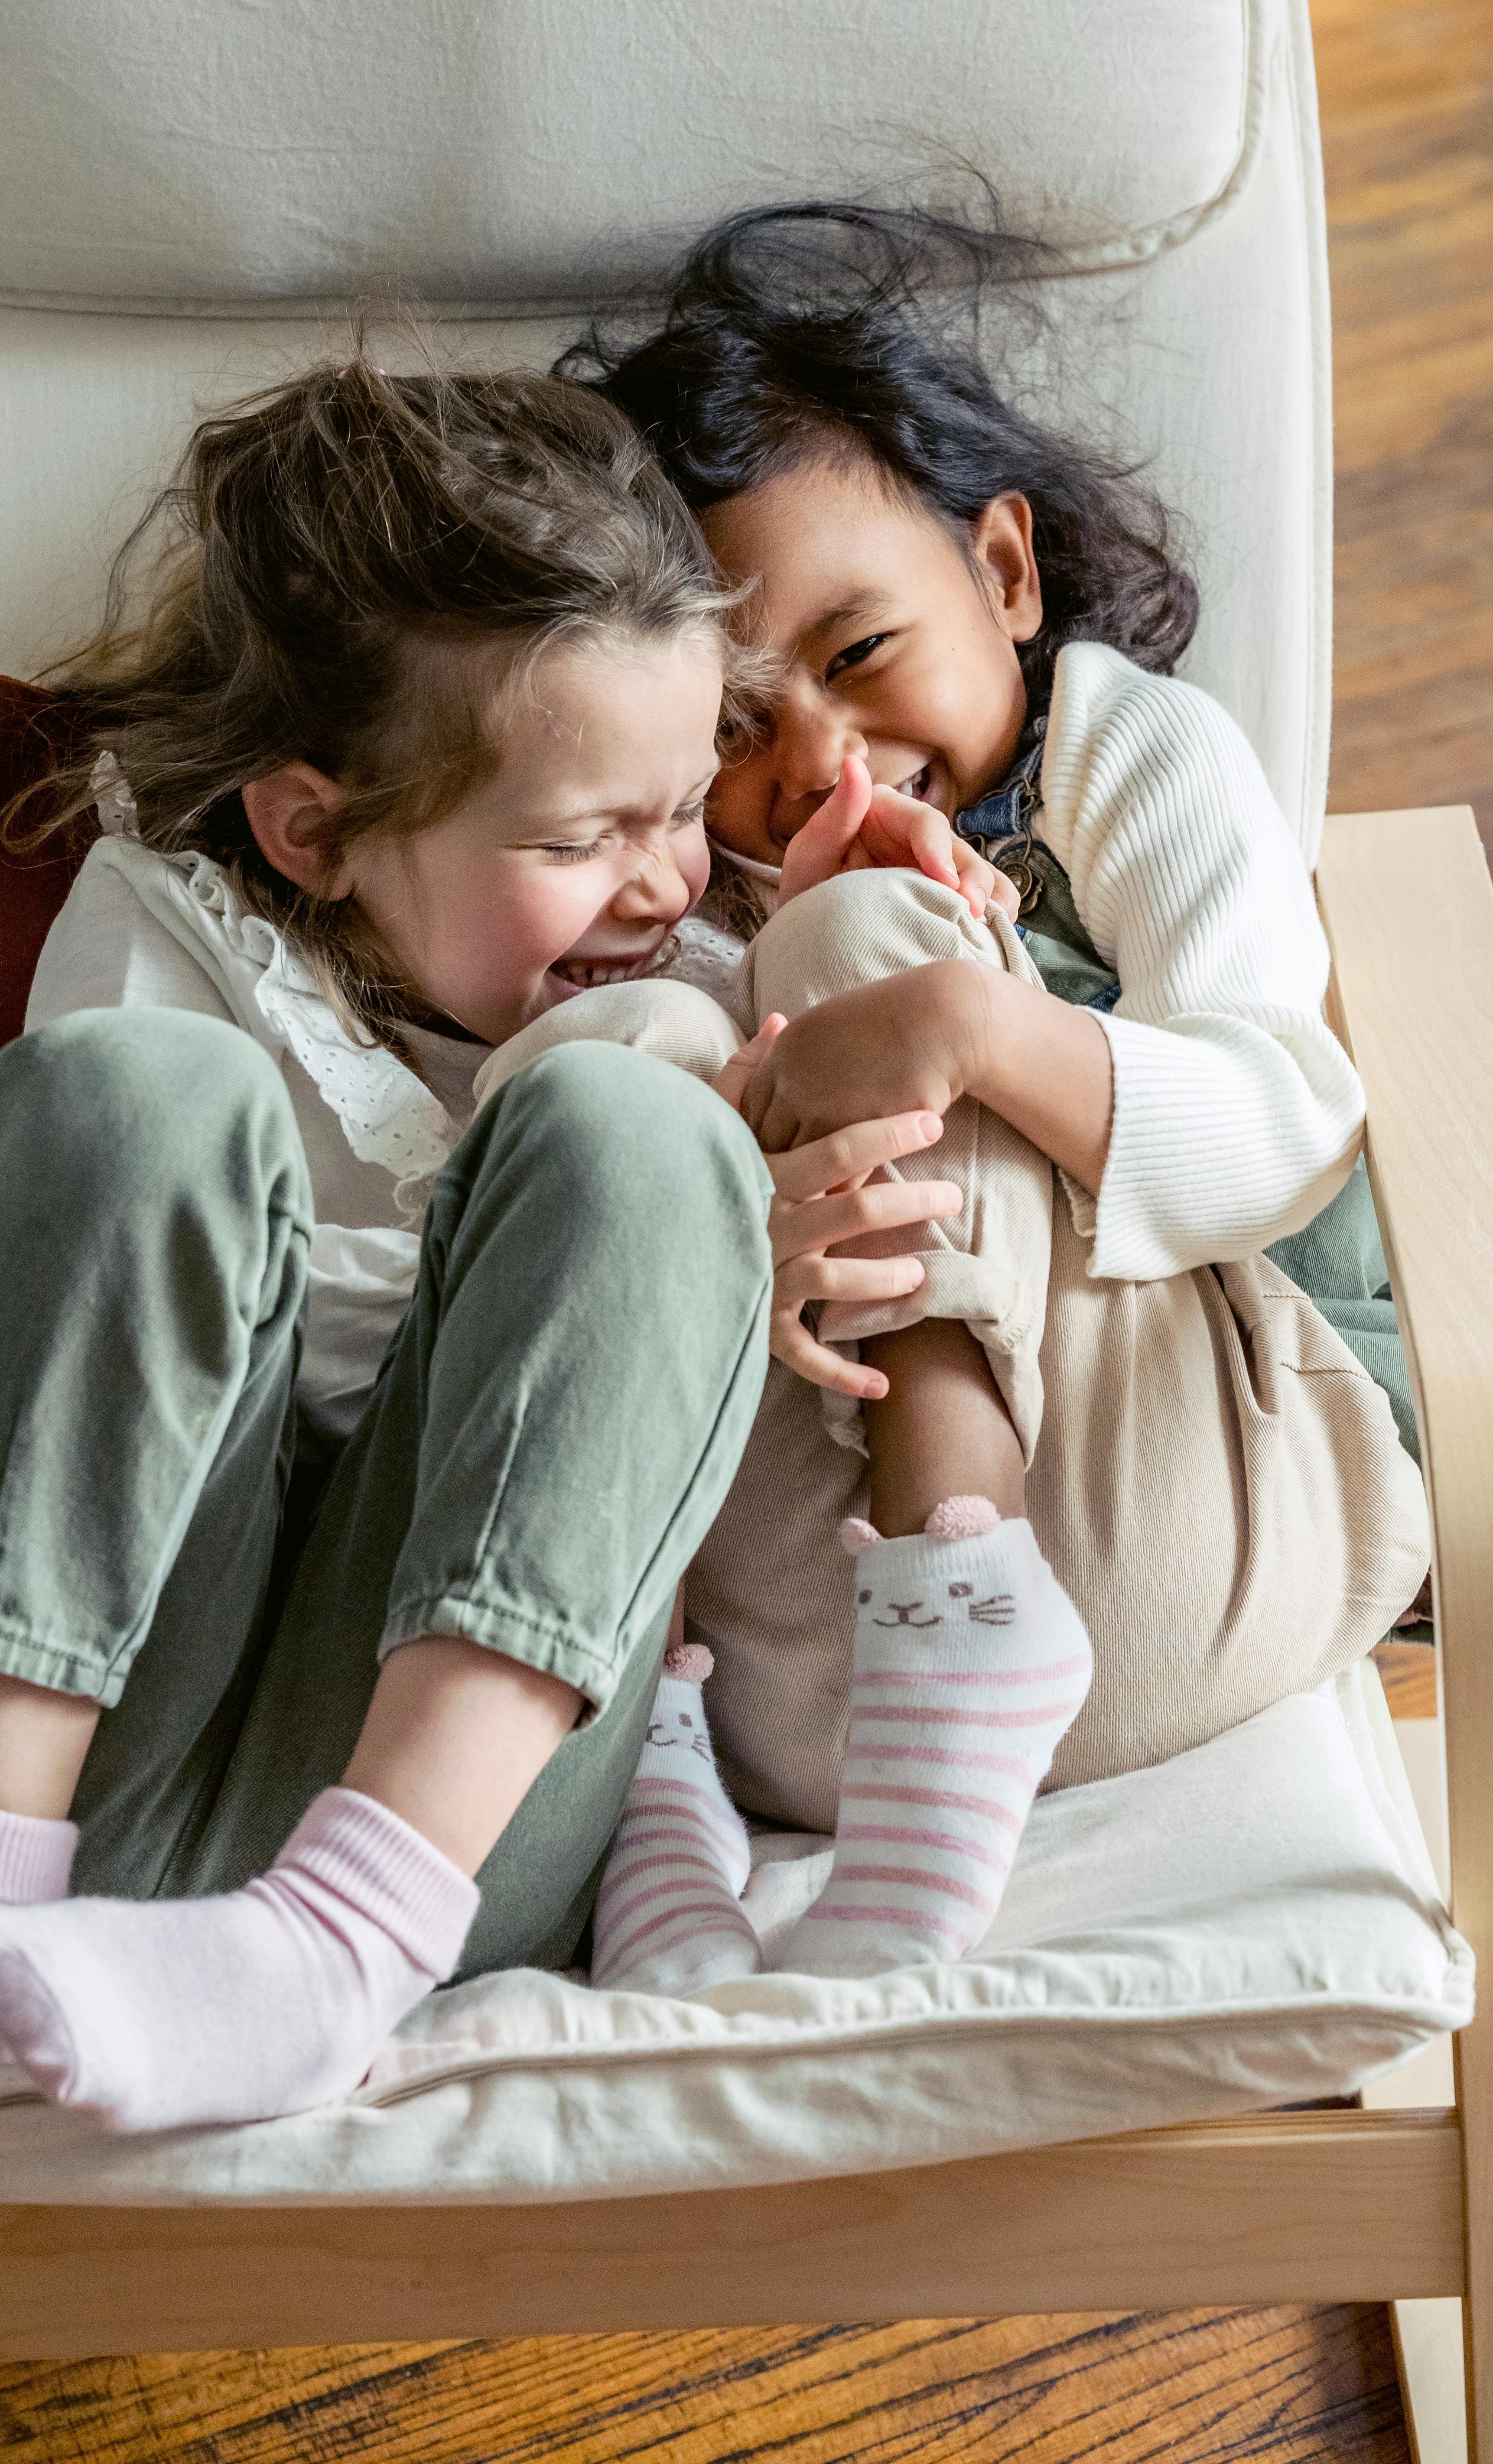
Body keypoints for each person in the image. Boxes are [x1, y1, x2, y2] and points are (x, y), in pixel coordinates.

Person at [0, 361, 968, 2148]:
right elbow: (123, 1329)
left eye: (677, 793)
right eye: (576, 839)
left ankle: (322, 1953)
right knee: (120, 1093)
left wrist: (730, 1238)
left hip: (442, 1822)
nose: (657, 881)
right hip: (83, 1729)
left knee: (643, 1132)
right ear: (310, 829)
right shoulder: (165, 913)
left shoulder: (716, 958)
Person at [563, 203, 1430, 1978]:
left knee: (876, 936)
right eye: (731, 722)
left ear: (1009, 577)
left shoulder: (1125, 757)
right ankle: (653, 1789)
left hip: (1196, 1518)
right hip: (806, 1695)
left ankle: (965, 1575)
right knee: (617, 1072)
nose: (816, 753)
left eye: (859, 653)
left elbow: (1283, 1126)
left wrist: (965, 1022)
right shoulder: (680, 893)